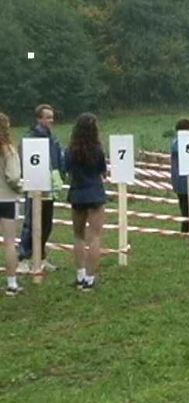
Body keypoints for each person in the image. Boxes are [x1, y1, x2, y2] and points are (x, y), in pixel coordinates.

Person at [17, 104, 64, 273]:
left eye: (52, 117)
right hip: (34, 185)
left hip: (49, 187)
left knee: (46, 223)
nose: (51, 121)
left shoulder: (54, 139)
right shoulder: (29, 138)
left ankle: (41, 256)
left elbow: (58, 160)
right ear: (39, 119)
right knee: (31, 223)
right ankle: (23, 258)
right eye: (47, 117)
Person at [64, 113, 107, 291]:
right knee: (95, 237)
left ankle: (80, 274)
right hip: (95, 192)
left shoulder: (71, 150)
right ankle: (90, 278)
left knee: (78, 236)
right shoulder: (97, 150)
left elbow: (66, 170)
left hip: (77, 193)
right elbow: (103, 172)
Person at [0, 113, 23, 295]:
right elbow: (13, 176)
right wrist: (20, 187)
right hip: (7, 198)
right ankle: (12, 283)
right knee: (9, 242)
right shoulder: (8, 150)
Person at [170, 118, 189, 233]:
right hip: (184, 177)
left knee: (184, 204)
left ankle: (187, 226)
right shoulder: (181, 143)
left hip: (177, 177)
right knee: (187, 204)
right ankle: (187, 227)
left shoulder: (175, 141)